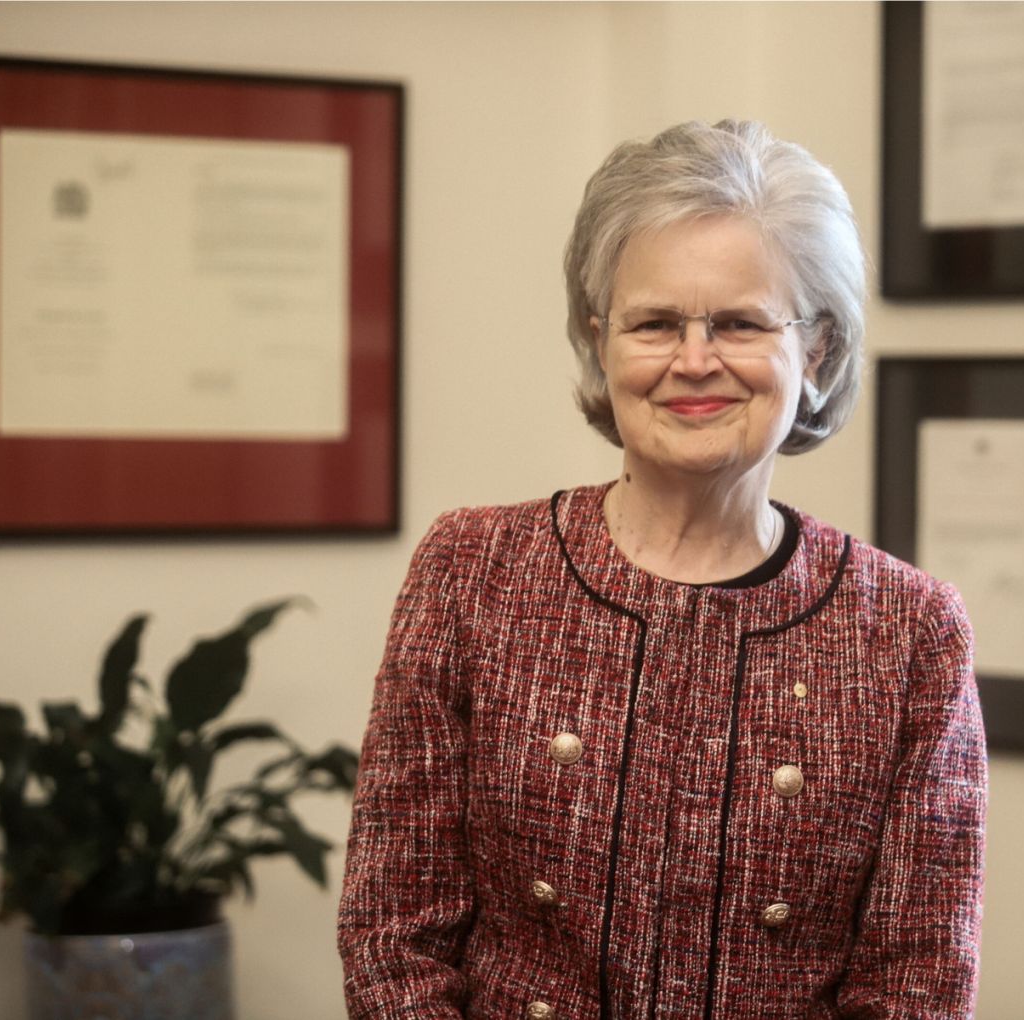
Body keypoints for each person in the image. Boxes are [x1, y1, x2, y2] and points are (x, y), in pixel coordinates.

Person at [338, 119, 986, 1019]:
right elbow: (390, 929)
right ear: (599, 340)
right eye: (654, 323)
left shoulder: (910, 629)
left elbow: (918, 982)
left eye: (738, 322)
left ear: (818, 349)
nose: (693, 361)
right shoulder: (470, 568)